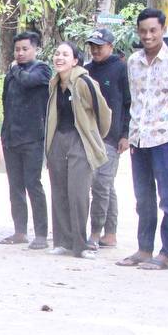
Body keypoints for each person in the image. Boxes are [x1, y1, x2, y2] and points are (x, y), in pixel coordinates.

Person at [116, 7, 168, 271]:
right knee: (143, 198)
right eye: (143, 31)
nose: (148, 36)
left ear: (163, 30)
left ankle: (166, 254)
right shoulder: (133, 62)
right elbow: (134, 100)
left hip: (165, 139)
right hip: (139, 140)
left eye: (153, 30)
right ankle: (144, 249)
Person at [44, 42, 112, 259]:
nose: (59, 58)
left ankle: (81, 245)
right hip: (58, 139)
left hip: (79, 141)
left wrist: (94, 136)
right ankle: (62, 242)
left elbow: (103, 113)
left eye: (65, 54)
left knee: (78, 194)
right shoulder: (54, 84)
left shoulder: (84, 82)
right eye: (57, 54)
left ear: (75, 60)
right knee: (59, 191)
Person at [0, 31, 51, 250]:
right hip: (11, 137)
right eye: (17, 49)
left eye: (25, 49)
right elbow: (6, 102)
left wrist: (14, 69)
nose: (19, 53)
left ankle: (41, 234)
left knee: (33, 184)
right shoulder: (12, 73)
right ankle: (19, 231)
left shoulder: (42, 69)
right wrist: (4, 134)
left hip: (32, 138)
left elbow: (28, 82)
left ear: (35, 49)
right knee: (15, 186)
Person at [83, 27, 130, 250]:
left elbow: (129, 103)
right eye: (92, 46)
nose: (95, 50)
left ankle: (95, 233)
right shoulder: (86, 71)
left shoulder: (121, 69)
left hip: (112, 138)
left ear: (110, 46)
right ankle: (110, 233)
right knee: (106, 185)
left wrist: (126, 135)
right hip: (90, 136)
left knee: (101, 185)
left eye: (99, 46)